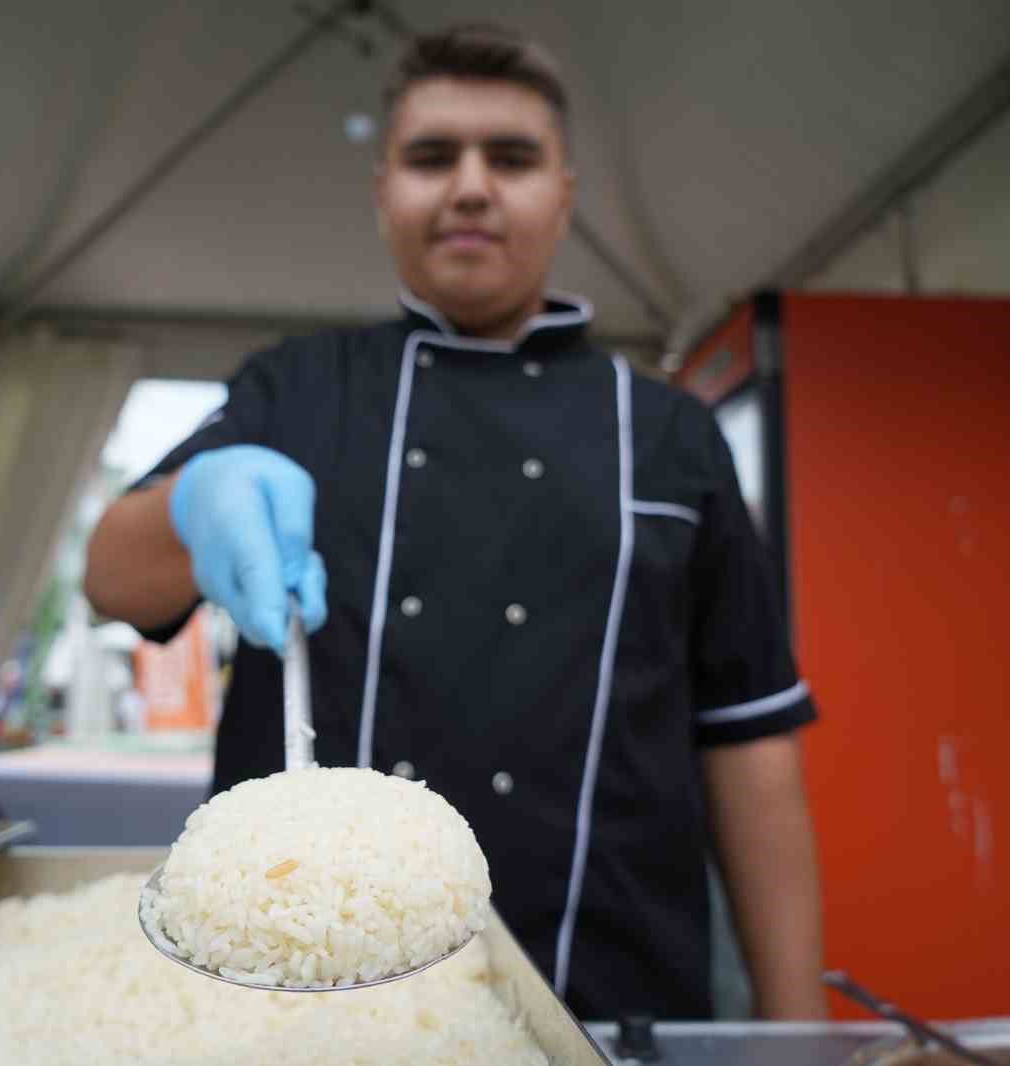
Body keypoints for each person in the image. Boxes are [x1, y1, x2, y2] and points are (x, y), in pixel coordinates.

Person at [85, 23, 826, 1021]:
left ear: (563, 193)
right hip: (295, 1008)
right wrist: (190, 500)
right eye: (432, 157)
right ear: (384, 188)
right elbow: (110, 582)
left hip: (608, 1003)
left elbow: (750, 744)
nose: (470, 186)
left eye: (511, 158)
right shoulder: (296, 390)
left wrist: (796, 1037)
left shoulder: (670, 434)